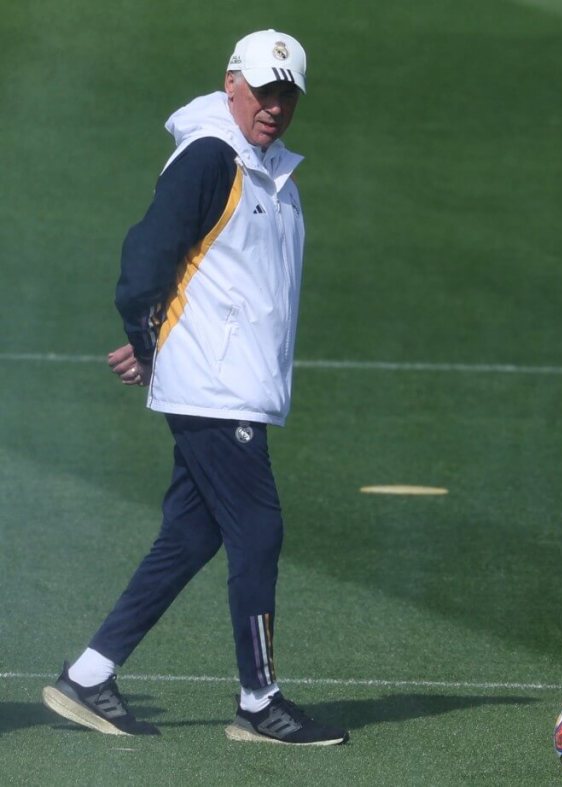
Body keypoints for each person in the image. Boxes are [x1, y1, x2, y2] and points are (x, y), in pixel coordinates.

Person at [41, 29, 349, 746]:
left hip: (224, 381)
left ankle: (88, 676)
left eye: (287, 94)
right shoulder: (212, 155)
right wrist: (154, 344)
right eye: (264, 90)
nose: (275, 105)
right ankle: (258, 700)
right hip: (214, 386)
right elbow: (145, 256)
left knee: (190, 533)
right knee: (258, 530)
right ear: (232, 81)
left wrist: (161, 345)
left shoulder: (264, 166)